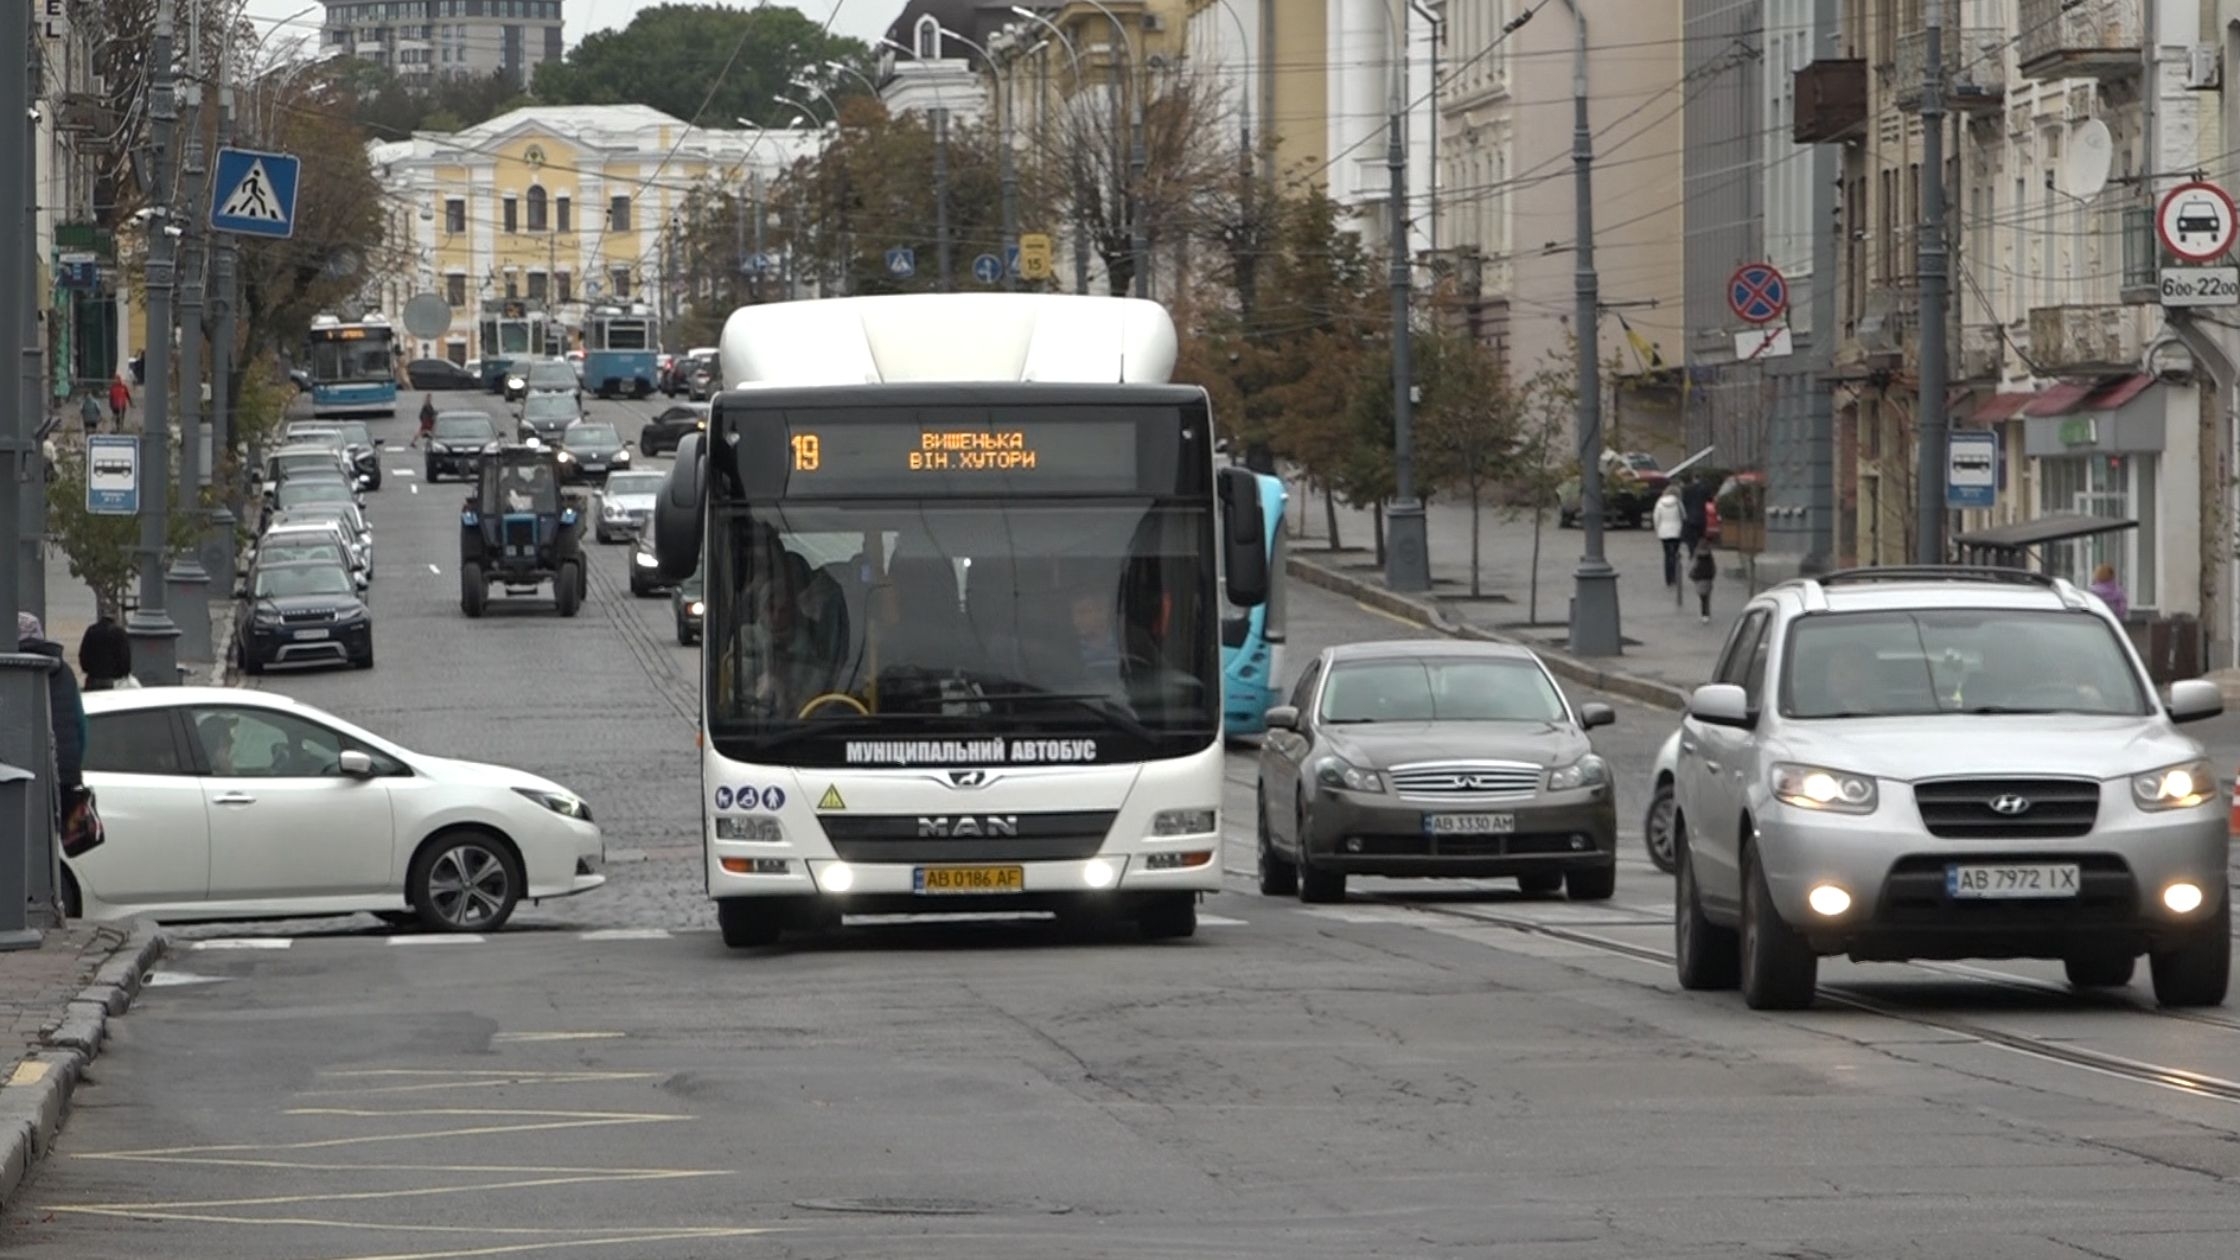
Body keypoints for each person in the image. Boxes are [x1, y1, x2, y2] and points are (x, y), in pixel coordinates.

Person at [18, 613, 87, 808]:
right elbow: (81, 726)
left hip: (26, 774)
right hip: (65, 772)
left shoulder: (11, 669)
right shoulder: (64, 671)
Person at [77, 618, 139, 691]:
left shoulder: (91, 631)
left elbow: (83, 655)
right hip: (113, 679)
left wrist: (88, 669)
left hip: (93, 677)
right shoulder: (119, 632)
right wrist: (123, 673)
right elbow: (124, 658)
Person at [1653, 486, 1685, 587]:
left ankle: (1668, 578)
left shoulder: (1659, 502)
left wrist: (1657, 530)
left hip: (1664, 532)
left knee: (1667, 555)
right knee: (1675, 554)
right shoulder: (1678, 503)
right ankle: (1675, 577)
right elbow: (1684, 516)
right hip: (1676, 531)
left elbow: (1656, 517)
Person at [1679, 474, 1712, 559]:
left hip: (1689, 517)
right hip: (1701, 517)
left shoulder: (1686, 489)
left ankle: (1692, 554)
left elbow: (1683, 502)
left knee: (1691, 540)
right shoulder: (1704, 489)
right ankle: (1699, 554)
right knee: (1700, 537)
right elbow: (1710, 500)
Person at [1689, 541, 1718, 625]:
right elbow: (1713, 567)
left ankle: (1704, 614)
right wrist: (1712, 576)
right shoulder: (1709, 556)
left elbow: (1693, 565)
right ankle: (1706, 614)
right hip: (1708, 578)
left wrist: (1691, 575)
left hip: (1699, 578)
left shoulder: (1696, 555)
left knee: (1702, 597)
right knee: (1707, 598)